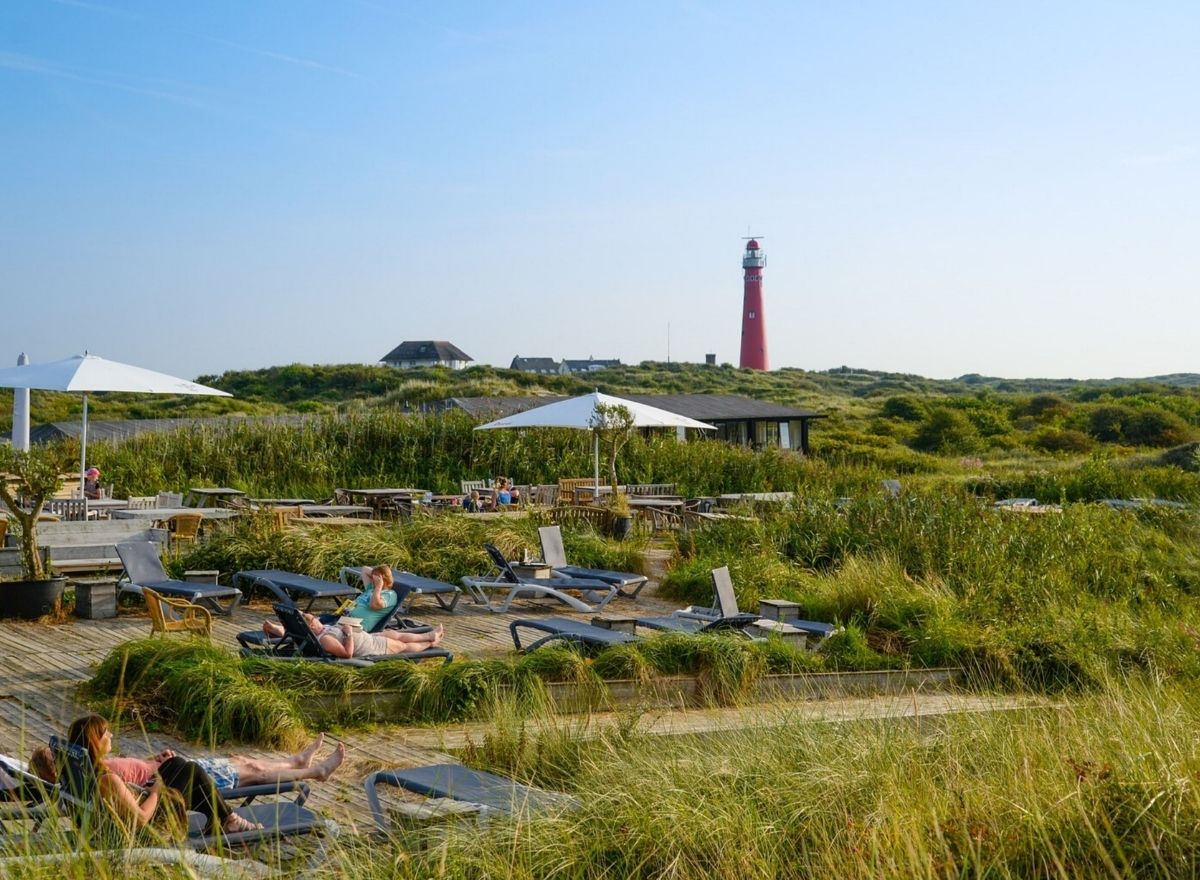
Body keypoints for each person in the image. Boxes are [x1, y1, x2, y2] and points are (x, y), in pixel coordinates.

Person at [60, 714, 263, 835]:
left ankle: (224, 818)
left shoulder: (79, 770)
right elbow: (140, 820)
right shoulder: (107, 780)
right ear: (95, 741)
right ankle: (229, 818)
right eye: (106, 733)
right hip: (148, 830)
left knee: (175, 764)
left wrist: (153, 766)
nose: (111, 735)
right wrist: (156, 792)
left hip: (122, 815)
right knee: (191, 770)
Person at [261, 564, 397, 639]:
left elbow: (375, 605)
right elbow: (365, 569)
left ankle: (282, 631)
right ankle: (287, 628)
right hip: (343, 616)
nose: (373, 579)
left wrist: (379, 586)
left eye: (376, 578)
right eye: (373, 578)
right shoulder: (371, 588)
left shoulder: (391, 595)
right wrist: (376, 576)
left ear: (383, 580)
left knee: (317, 628)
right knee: (314, 619)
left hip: (354, 625)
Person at [320, 617, 445, 659]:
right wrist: (348, 633)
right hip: (371, 646)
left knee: (395, 634)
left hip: (368, 637)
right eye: (313, 619)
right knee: (402, 646)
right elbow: (348, 654)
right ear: (311, 625)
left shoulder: (322, 629)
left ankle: (430, 635)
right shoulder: (324, 639)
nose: (317, 619)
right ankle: (431, 644)